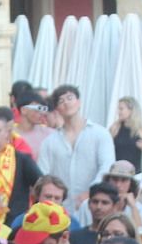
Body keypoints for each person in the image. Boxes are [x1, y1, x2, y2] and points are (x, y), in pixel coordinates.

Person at [37, 85, 115, 213]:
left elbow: (107, 167)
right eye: (61, 101)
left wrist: (92, 191)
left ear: (78, 102)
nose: (66, 103)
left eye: (70, 98)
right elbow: (43, 175)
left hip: (94, 207)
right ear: (57, 109)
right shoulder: (49, 142)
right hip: (59, 208)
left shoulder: (100, 134)